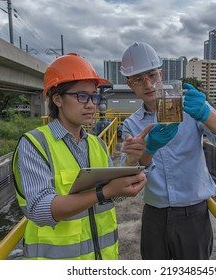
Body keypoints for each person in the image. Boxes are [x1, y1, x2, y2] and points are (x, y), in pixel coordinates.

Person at [12, 53, 148, 260]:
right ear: (57, 99)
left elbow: (111, 198)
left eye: (94, 96)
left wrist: (131, 164)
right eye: (82, 96)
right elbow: (39, 210)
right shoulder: (35, 144)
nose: (91, 104)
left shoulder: (98, 144)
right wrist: (105, 192)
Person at [119, 42, 216, 260]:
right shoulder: (132, 125)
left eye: (151, 75)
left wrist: (206, 113)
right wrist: (143, 151)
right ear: (130, 84)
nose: (148, 84)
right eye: (138, 79)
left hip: (194, 215)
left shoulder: (189, 107)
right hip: (154, 215)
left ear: (161, 73)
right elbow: (129, 175)